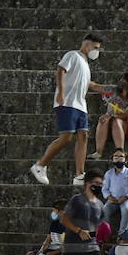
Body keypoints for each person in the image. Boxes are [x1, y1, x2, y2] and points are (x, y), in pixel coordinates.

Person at [31, 33, 105, 186]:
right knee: (66, 137)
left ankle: (79, 174)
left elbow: (89, 83)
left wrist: (105, 88)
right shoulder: (73, 55)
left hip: (80, 105)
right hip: (67, 103)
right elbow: (60, 70)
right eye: (95, 48)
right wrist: (61, 92)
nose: (96, 51)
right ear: (86, 44)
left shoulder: (85, 64)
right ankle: (40, 165)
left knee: (83, 136)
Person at [37, 171, 105, 255]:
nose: (98, 186)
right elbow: (64, 219)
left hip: (92, 247)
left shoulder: (100, 204)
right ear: (87, 183)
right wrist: (78, 231)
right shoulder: (76, 200)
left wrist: (97, 235)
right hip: (74, 247)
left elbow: (99, 226)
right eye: (95, 183)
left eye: (100, 184)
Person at [94, 71, 128, 157]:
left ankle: (120, 151)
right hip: (109, 123)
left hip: (125, 126)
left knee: (117, 121)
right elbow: (95, 87)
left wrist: (111, 116)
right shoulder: (113, 91)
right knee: (102, 119)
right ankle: (98, 152)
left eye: (124, 79)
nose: (121, 81)